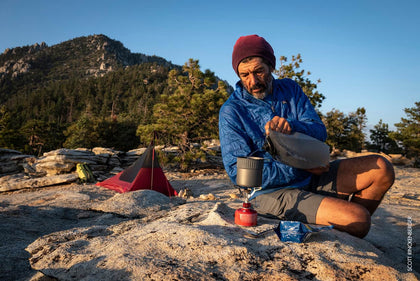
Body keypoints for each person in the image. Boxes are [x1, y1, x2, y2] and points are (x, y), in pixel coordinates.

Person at [219, 34, 395, 238]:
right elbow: (237, 172)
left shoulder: (290, 89)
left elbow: (319, 131)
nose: (253, 81)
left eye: (259, 71)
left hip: (313, 175)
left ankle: (345, 233)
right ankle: (345, 223)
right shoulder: (232, 111)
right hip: (270, 192)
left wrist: (292, 126)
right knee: (359, 219)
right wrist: (299, 167)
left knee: (382, 169)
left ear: (271, 67)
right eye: (244, 74)